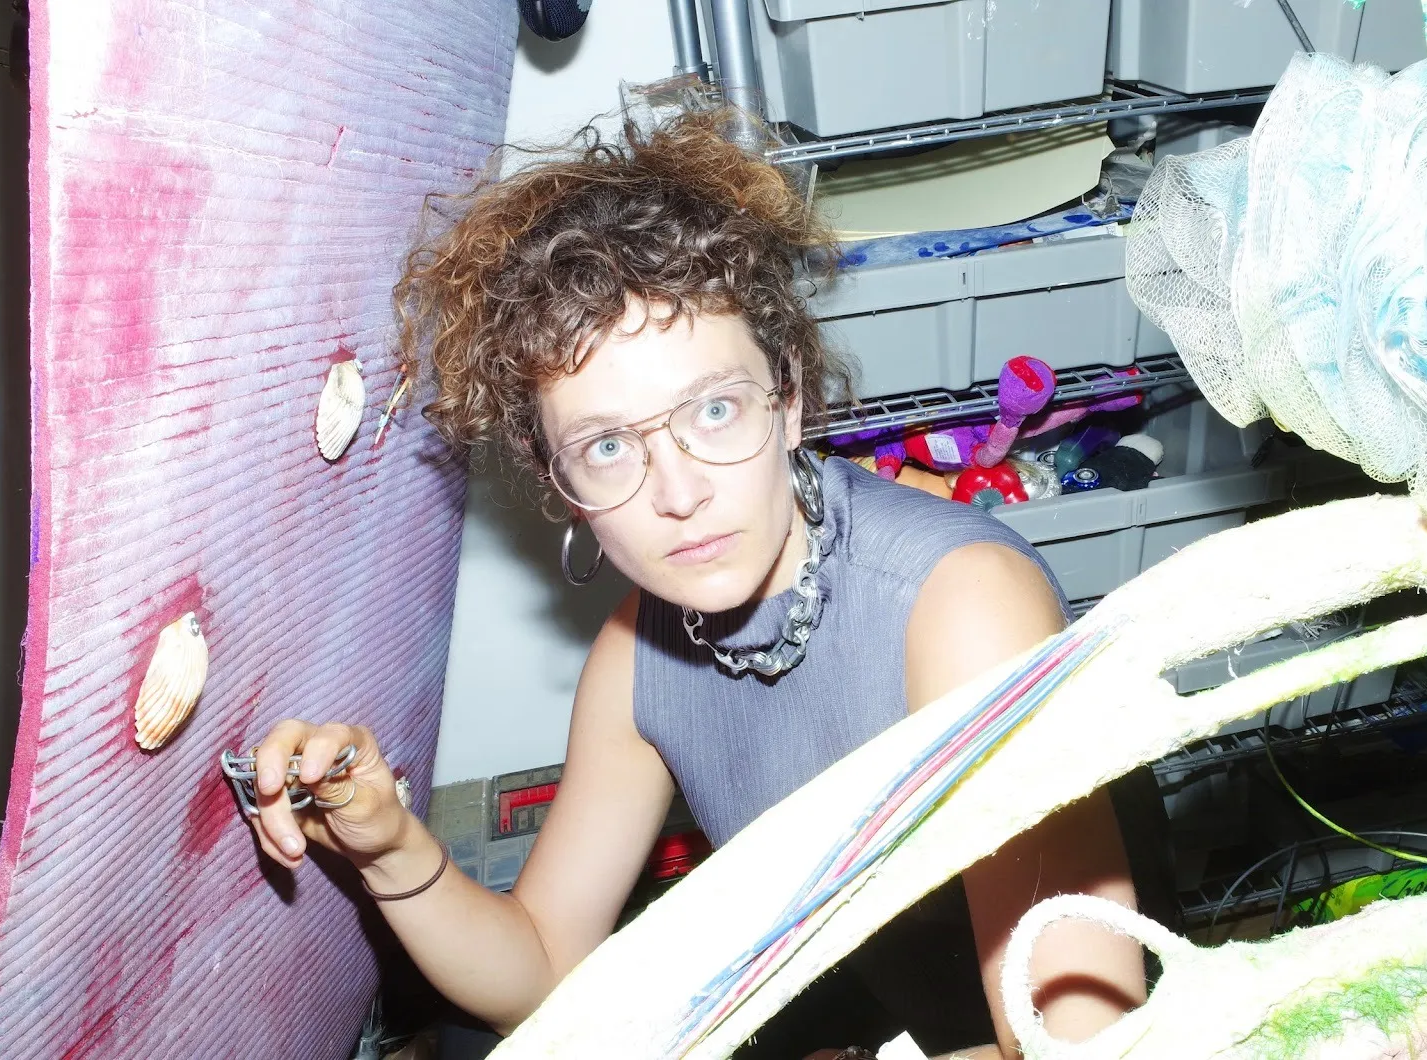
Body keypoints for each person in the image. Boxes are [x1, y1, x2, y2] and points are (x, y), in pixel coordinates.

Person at [245, 105, 1145, 1059]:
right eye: (607, 446)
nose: (679, 494)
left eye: (714, 409)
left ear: (790, 398)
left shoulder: (962, 609)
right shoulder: (638, 664)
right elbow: (544, 972)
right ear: (557, 481)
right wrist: (392, 851)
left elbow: (1084, 1041)